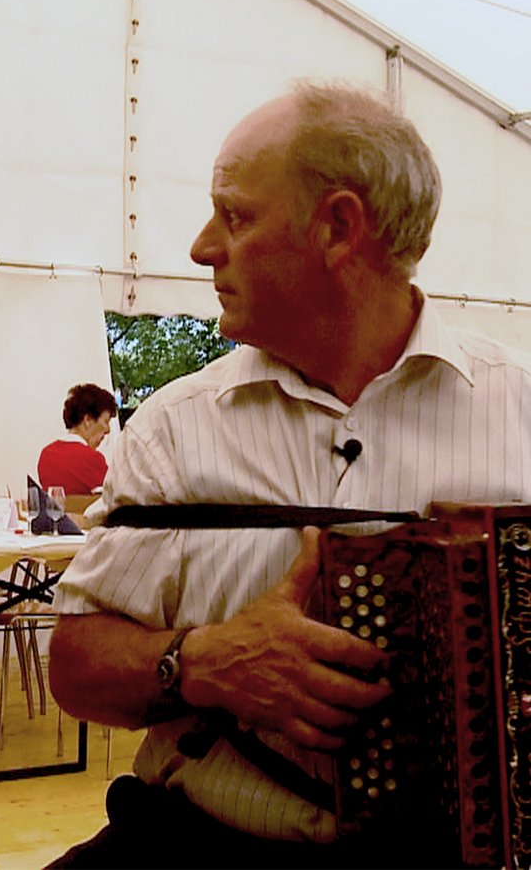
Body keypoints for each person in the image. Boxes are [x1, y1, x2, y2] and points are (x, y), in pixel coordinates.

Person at [48, 81, 531, 867]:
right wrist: (204, 662)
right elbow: (75, 665)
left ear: (338, 226)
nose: (204, 246)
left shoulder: (521, 408)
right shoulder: (176, 427)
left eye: (235, 214)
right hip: (207, 842)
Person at [36, 382, 116, 494]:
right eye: (106, 421)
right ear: (88, 420)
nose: (108, 430)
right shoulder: (94, 460)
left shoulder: (46, 455)